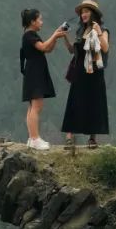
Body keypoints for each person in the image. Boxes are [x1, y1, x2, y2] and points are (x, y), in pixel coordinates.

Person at [62, 0, 110, 148]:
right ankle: (69, 137)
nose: (84, 15)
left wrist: (99, 32)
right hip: (79, 71)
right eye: (82, 12)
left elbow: (105, 47)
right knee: (74, 102)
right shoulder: (79, 31)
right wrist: (64, 36)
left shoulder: (102, 29)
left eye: (87, 11)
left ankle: (92, 138)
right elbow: (73, 50)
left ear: (93, 14)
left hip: (94, 71)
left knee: (94, 103)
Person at [20, 9, 69, 150]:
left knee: (32, 107)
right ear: (32, 22)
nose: (42, 22)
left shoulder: (31, 35)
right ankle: (35, 138)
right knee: (37, 106)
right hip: (35, 72)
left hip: (34, 72)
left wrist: (56, 36)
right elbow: (43, 47)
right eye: (40, 19)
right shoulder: (29, 35)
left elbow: (48, 49)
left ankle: (32, 137)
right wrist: (54, 35)